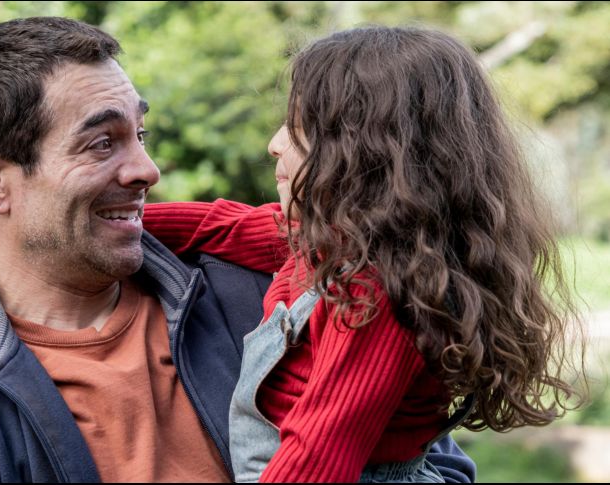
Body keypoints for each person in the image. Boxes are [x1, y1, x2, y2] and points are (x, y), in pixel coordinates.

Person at [0, 18, 475, 483]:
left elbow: (427, 463)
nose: (148, 169)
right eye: (102, 143)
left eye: (141, 134)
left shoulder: (275, 289)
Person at [142, 26, 585, 482]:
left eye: (297, 129)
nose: (274, 143)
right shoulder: (335, 243)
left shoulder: (375, 295)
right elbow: (220, 226)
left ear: (362, 155)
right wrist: (119, 221)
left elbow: (316, 459)